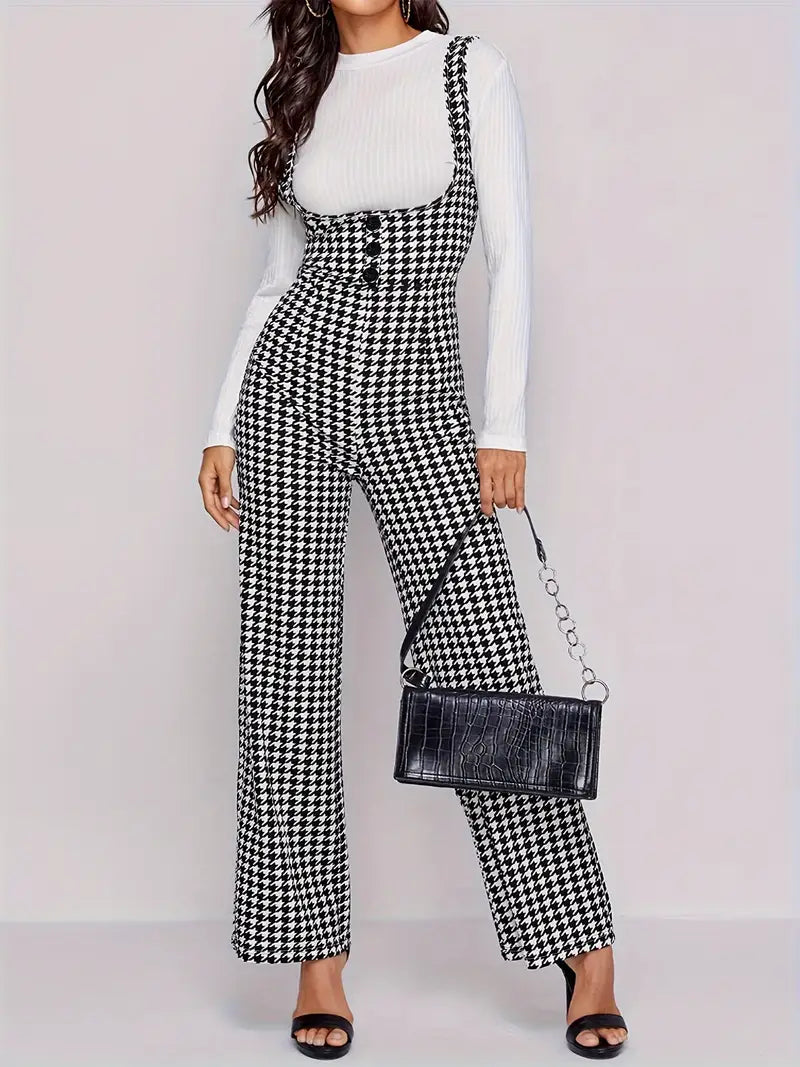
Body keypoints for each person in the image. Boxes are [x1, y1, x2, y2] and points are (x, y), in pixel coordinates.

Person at [198, 1, 628, 1060]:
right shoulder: (303, 90)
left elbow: (511, 252)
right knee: (287, 674)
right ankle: (316, 957)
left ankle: (583, 948)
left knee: (481, 658)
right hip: (291, 389)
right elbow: (277, 279)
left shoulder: (467, 70)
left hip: (419, 392)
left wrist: (503, 426)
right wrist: (221, 424)